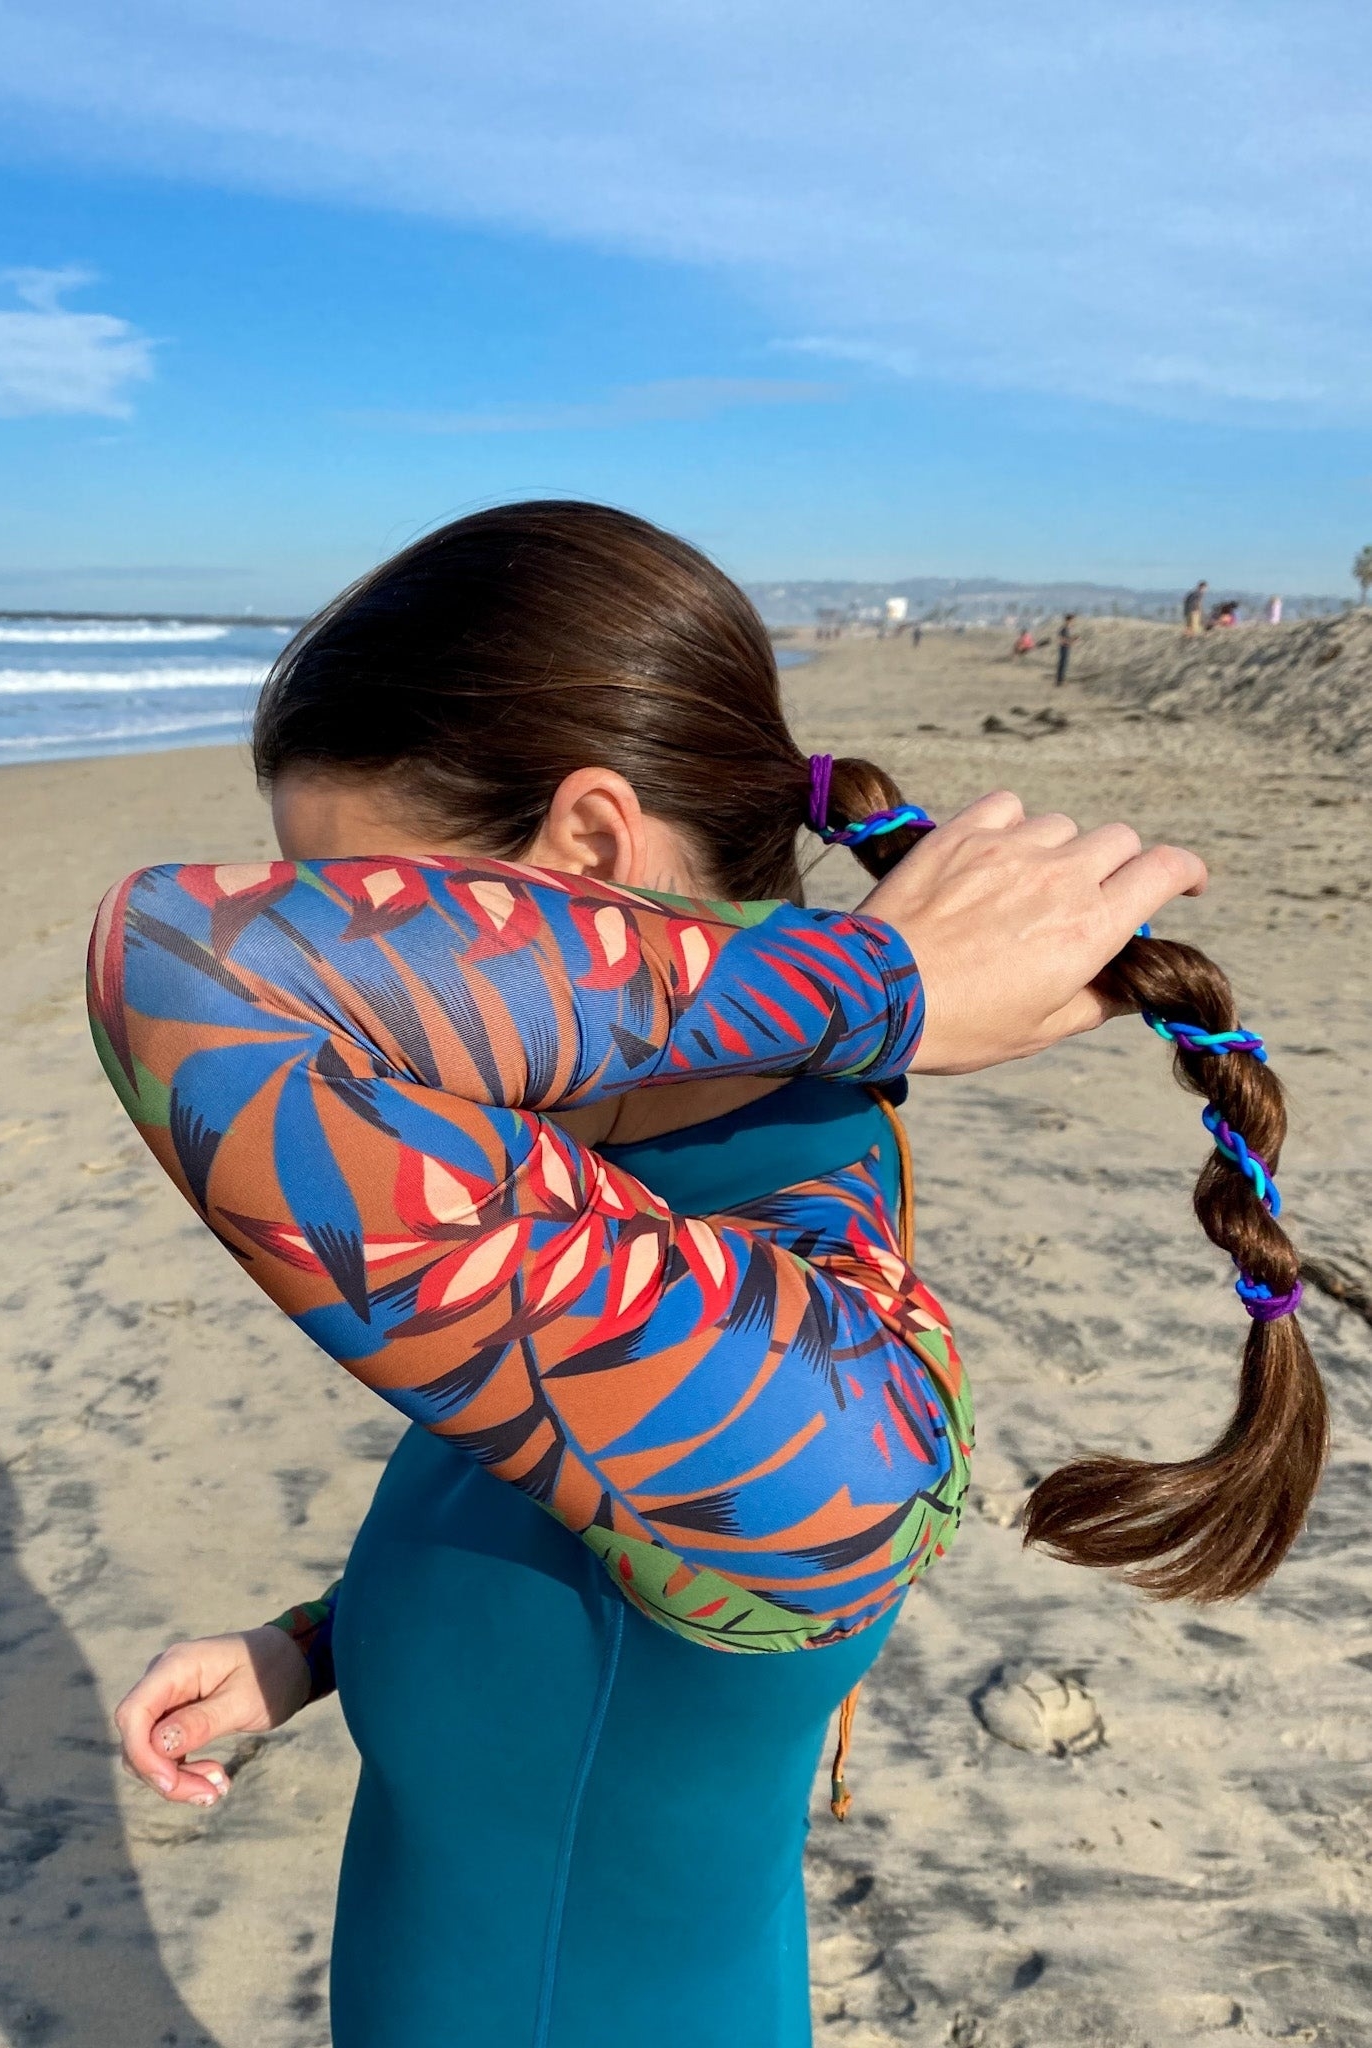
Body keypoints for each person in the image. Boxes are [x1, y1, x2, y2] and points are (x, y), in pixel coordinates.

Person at [96, 503, 1327, 2048]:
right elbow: (579, 1524)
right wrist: (316, 1650)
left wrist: (869, 977)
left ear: (588, 855)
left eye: (368, 906)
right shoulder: (624, 1184)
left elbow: (181, 967)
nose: (376, 980)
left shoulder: (834, 1361)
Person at [1055, 612, 1077, 686]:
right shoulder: (1064, 629)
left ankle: (1061, 680)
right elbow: (1062, 640)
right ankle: (1060, 681)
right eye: (1072, 620)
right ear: (1068, 620)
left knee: (1064, 665)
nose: (1073, 622)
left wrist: (1072, 640)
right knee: (1062, 665)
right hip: (1064, 648)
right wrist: (1071, 641)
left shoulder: (1066, 629)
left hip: (1066, 648)